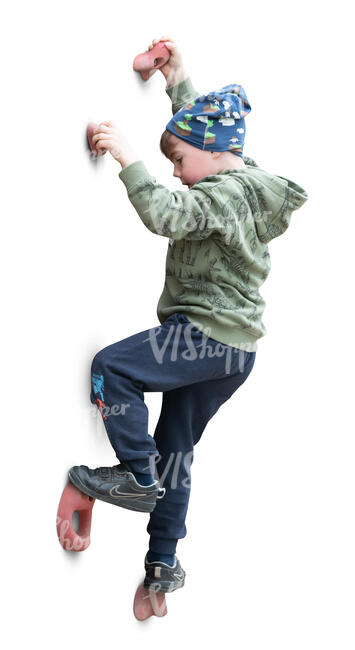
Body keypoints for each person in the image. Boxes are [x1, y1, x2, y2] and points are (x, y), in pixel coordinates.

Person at [68, 36, 308, 593]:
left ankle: (134, 475)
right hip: (234, 352)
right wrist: (177, 81)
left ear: (209, 153)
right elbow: (199, 137)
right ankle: (162, 565)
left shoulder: (219, 196)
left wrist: (130, 157)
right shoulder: (239, 177)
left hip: (202, 338)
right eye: (170, 162)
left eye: (177, 161)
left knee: (112, 368)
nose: (175, 171)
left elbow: (165, 211)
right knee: (176, 448)